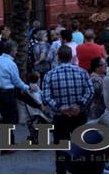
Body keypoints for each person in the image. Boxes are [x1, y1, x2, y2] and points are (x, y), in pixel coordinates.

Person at [42, 45, 93, 174]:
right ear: (72, 57)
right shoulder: (82, 72)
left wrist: (60, 107)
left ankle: (61, 171)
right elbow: (90, 91)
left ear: (58, 57)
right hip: (79, 115)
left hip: (60, 117)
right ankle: (80, 171)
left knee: (60, 146)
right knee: (81, 145)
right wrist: (79, 105)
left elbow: (46, 97)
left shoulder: (50, 74)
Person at [0, 40, 33, 148]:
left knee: (5, 118)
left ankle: (10, 141)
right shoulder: (11, 64)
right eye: (15, 50)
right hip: (8, 93)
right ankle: (8, 143)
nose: (16, 52)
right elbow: (17, 81)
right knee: (9, 119)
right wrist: (28, 88)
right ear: (12, 50)